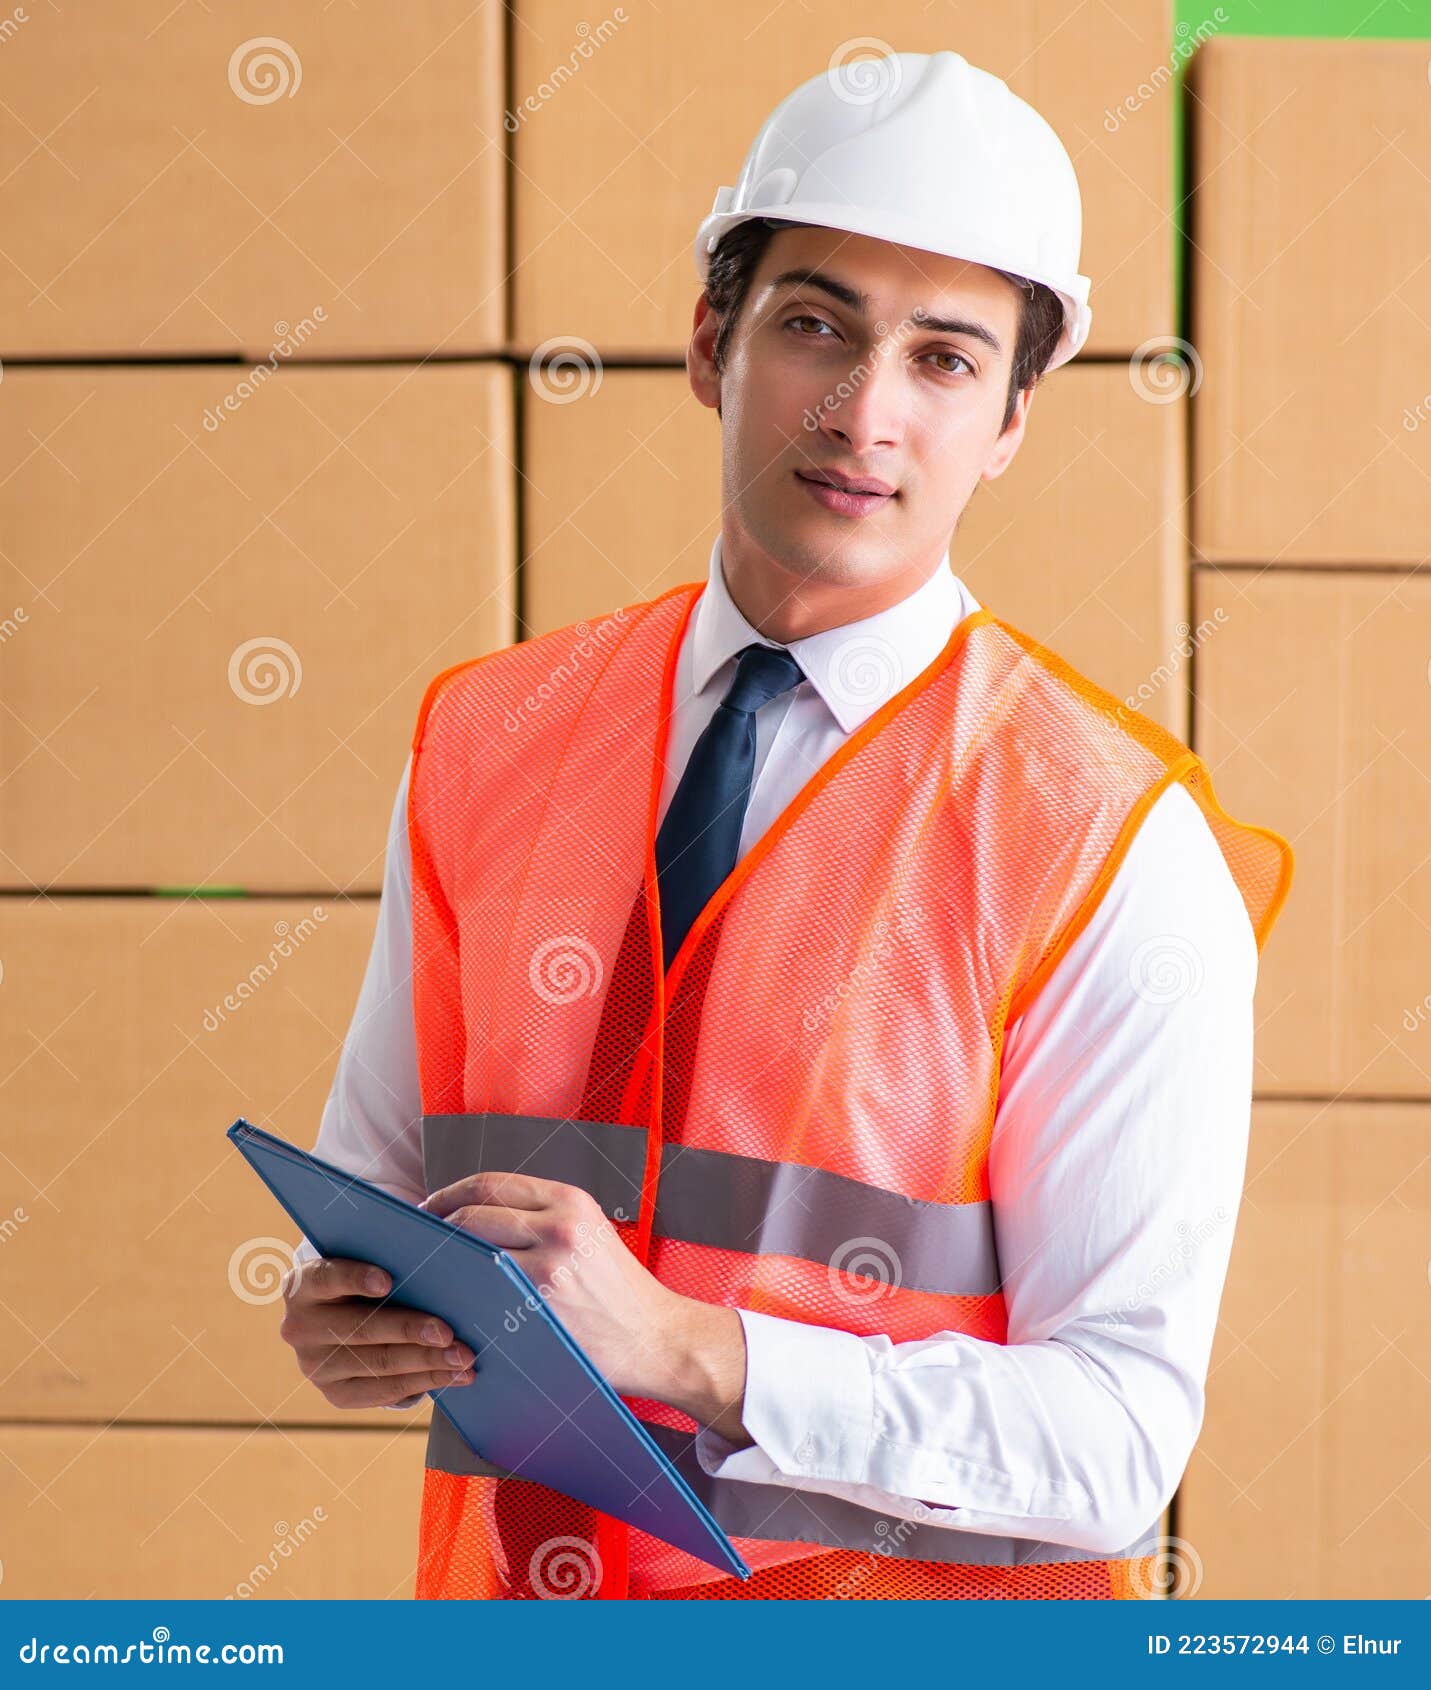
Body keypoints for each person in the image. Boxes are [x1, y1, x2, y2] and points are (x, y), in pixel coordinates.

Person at [277, 48, 1293, 1600]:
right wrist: (345, 1308)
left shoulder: (1104, 844)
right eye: (814, 323)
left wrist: (698, 1351)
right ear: (710, 342)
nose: (863, 411)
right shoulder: (487, 740)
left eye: (946, 359)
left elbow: (1117, 1441)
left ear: (1013, 421)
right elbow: (384, 1182)